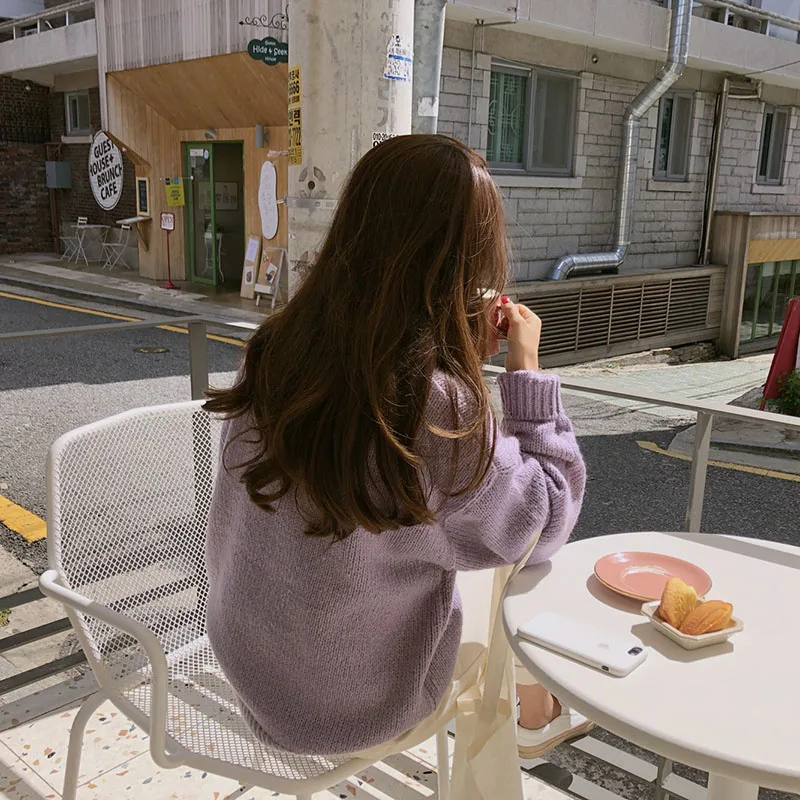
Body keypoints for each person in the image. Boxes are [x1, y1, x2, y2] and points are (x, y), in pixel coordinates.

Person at [203, 134, 591, 761]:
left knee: (477, 549)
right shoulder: (434, 405)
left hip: (257, 666)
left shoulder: (277, 347)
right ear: (462, 268)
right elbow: (545, 521)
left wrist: (452, 354)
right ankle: (535, 720)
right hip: (352, 706)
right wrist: (526, 375)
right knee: (510, 576)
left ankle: (536, 717)